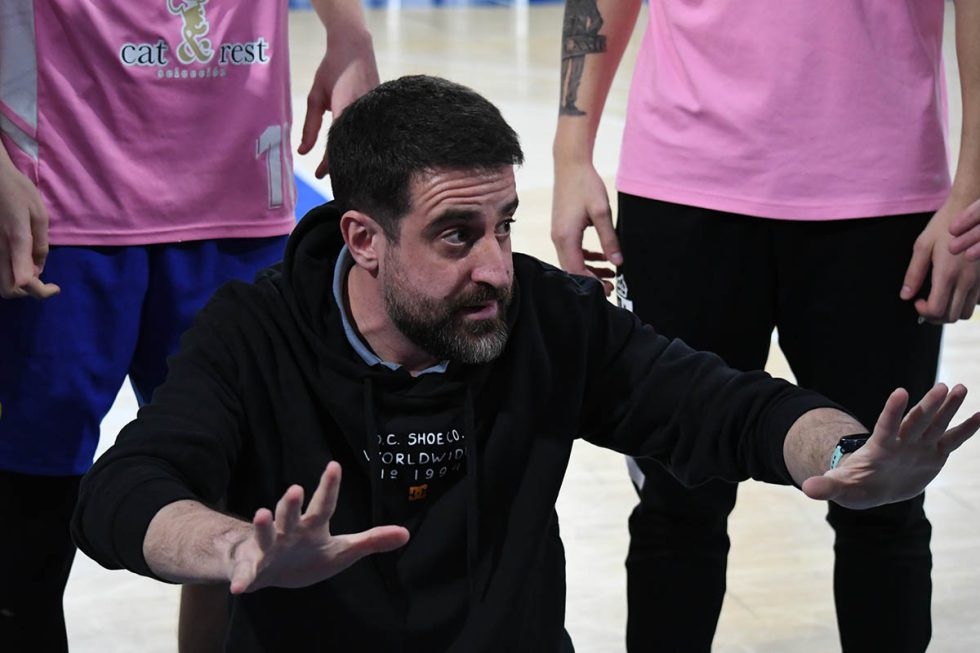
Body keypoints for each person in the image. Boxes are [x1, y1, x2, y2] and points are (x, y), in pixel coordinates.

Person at [70, 74, 980, 652]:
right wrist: (234, 546)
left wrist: (845, 453)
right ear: (364, 239)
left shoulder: (541, 315)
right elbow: (122, 491)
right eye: (455, 235)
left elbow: (723, 405)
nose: (496, 267)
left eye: (502, 226)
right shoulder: (255, 332)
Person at [551, 1, 980, 651]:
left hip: (880, 193)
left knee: (884, 498)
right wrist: (570, 151)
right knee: (676, 503)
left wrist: (972, 189)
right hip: (683, 182)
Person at [0, 1, 378, 650]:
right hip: (59, 201)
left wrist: (348, 30)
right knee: (26, 518)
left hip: (239, 193)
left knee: (256, 516)